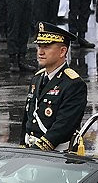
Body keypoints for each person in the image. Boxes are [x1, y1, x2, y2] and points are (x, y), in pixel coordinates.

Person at [21, 22, 88, 152]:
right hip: (32, 150)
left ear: (62, 51)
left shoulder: (73, 84)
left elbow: (63, 126)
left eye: (46, 47)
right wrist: (23, 149)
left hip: (55, 154)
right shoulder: (37, 78)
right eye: (39, 46)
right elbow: (27, 119)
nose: (40, 52)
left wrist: (36, 151)